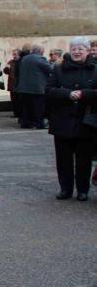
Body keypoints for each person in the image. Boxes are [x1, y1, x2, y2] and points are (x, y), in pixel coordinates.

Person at [45, 37, 97, 202]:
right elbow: (48, 90)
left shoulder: (95, 69)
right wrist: (67, 94)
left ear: (87, 51)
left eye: (81, 48)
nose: (76, 51)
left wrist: (84, 94)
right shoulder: (59, 69)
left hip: (86, 121)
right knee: (63, 159)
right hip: (63, 120)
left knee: (84, 159)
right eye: (74, 48)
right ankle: (65, 189)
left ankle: (82, 190)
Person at [16, 44, 53, 129]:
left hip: (24, 87)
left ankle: (25, 123)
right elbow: (50, 69)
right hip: (37, 88)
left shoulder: (24, 59)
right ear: (40, 51)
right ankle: (39, 124)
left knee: (26, 107)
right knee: (39, 107)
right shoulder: (40, 59)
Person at [4, 48, 22, 118]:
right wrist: (6, 68)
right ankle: (16, 113)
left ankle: (20, 113)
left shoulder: (21, 62)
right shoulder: (11, 62)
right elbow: (6, 72)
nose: (14, 56)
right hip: (12, 84)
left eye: (15, 54)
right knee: (14, 100)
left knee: (19, 100)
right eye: (13, 54)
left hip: (19, 84)